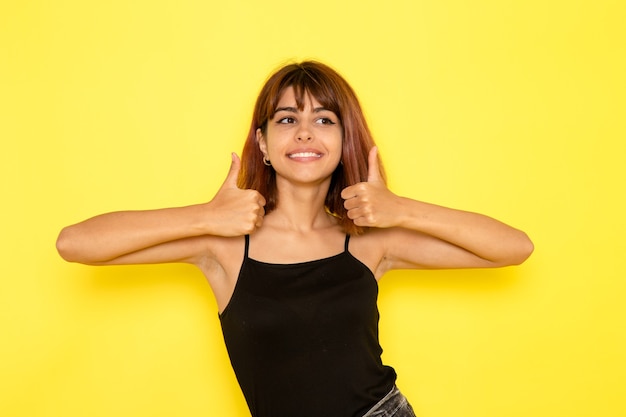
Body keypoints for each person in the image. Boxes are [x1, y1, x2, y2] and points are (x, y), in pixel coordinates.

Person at [56, 61, 534, 417]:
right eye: (287, 119)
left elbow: (514, 248)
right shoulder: (224, 246)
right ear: (262, 143)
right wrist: (204, 216)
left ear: (342, 139)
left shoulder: (368, 244)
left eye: (324, 119)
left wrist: (401, 209)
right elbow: (75, 244)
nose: (305, 133)